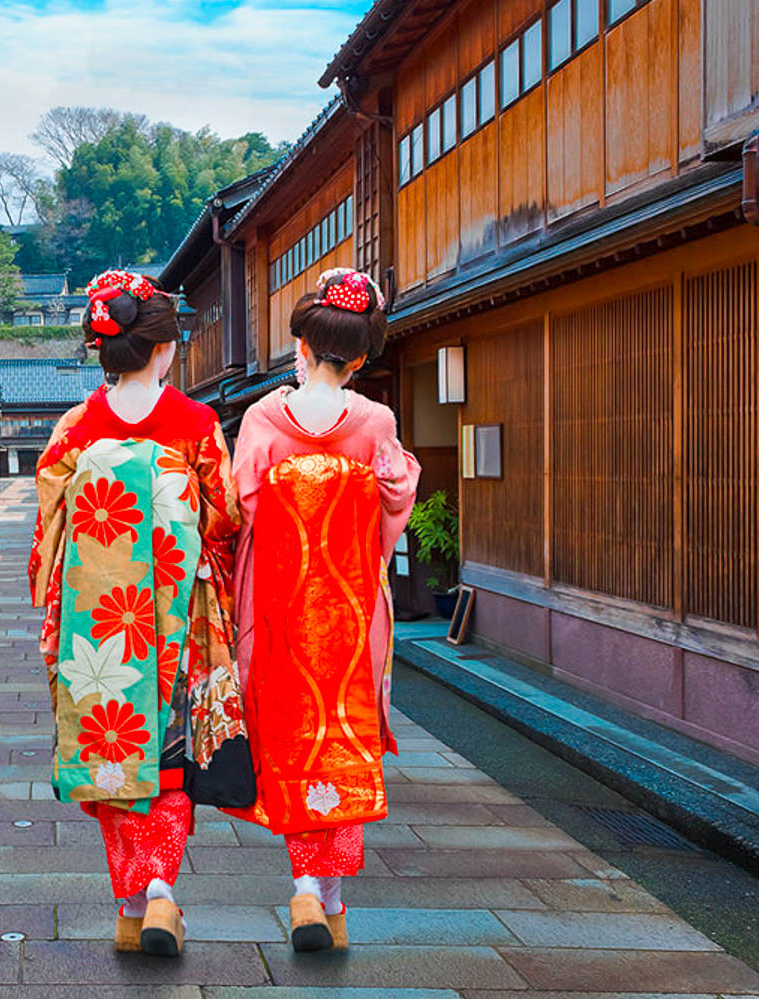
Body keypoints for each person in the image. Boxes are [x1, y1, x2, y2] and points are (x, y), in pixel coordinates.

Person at [29, 270, 251, 958]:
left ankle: (132, 904)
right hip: (175, 624)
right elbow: (226, 518)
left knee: (109, 754)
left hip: (96, 626)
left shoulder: (75, 430)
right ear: (163, 350)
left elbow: (50, 532)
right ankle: (160, 892)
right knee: (170, 759)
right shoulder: (195, 424)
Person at [229, 268, 420, 952]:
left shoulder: (259, 419)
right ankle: (324, 894)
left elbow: (240, 510)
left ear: (299, 348)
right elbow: (393, 506)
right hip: (348, 612)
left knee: (289, 739)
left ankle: (306, 887)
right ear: (362, 357)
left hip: (278, 610)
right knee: (343, 737)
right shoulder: (376, 421)